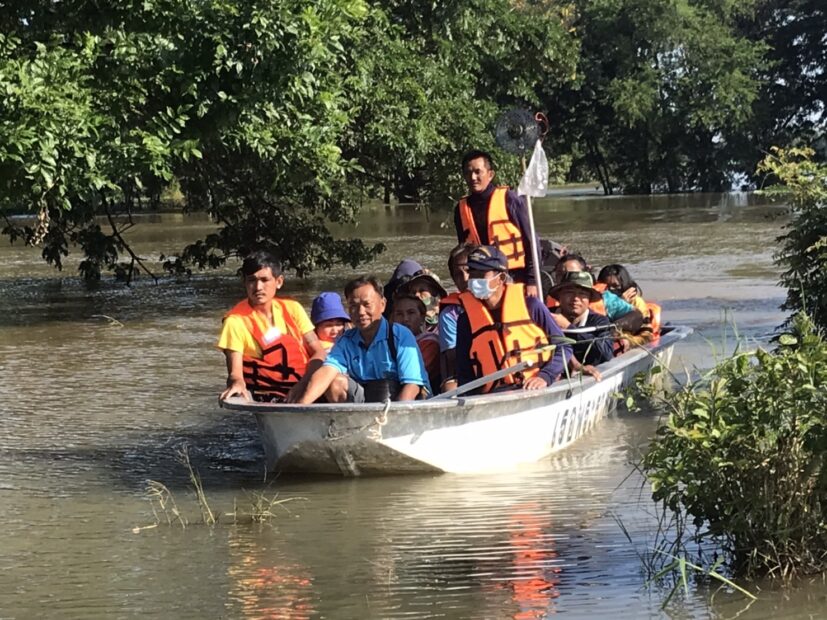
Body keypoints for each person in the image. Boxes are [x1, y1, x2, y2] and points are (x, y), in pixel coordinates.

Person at [297, 275, 431, 404]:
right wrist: (301, 406)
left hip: (401, 402)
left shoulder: (400, 335)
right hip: (364, 402)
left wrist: (394, 419)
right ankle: (352, 425)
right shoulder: (345, 341)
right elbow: (326, 371)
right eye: (353, 306)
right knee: (334, 381)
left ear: (382, 305)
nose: (360, 312)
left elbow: (412, 386)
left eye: (367, 304)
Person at [455, 246, 571, 394]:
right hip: (491, 396)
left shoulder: (532, 306)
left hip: (532, 388)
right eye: (472, 274)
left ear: (501, 278)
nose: (473, 280)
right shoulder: (465, 320)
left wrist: (545, 376)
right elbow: (464, 371)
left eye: (481, 274)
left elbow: (564, 347)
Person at [218, 251, 326, 402]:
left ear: (279, 281)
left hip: (308, 384)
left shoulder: (293, 308)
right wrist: (237, 384)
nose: (258, 287)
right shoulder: (235, 321)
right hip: (272, 396)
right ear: (245, 282)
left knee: (338, 382)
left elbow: (318, 351)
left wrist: (304, 385)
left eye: (264, 280)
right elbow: (235, 374)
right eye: (251, 280)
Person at [454, 150, 540, 296]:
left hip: (515, 276)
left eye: (477, 172)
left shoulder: (510, 199)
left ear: (490, 174)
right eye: (468, 173)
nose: (473, 177)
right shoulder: (461, 209)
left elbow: (531, 241)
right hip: (482, 279)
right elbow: (462, 252)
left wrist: (532, 281)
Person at [550, 271, 614, 377]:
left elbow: (606, 353)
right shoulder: (546, 316)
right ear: (559, 296)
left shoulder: (600, 322)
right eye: (569, 292)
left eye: (582, 294)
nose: (575, 299)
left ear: (589, 299)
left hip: (587, 375)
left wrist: (569, 327)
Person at [438, 243, 473, 393]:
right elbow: (455, 357)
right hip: (467, 373)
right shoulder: (450, 314)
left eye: (469, 270)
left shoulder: (497, 302)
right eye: (458, 274)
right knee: (450, 388)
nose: (465, 278)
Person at [391, 294, 441, 390]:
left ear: (422, 318)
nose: (405, 319)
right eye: (399, 314)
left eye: (411, 313)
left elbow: (416, 371)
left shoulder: (430, 342)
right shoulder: (387, 342)